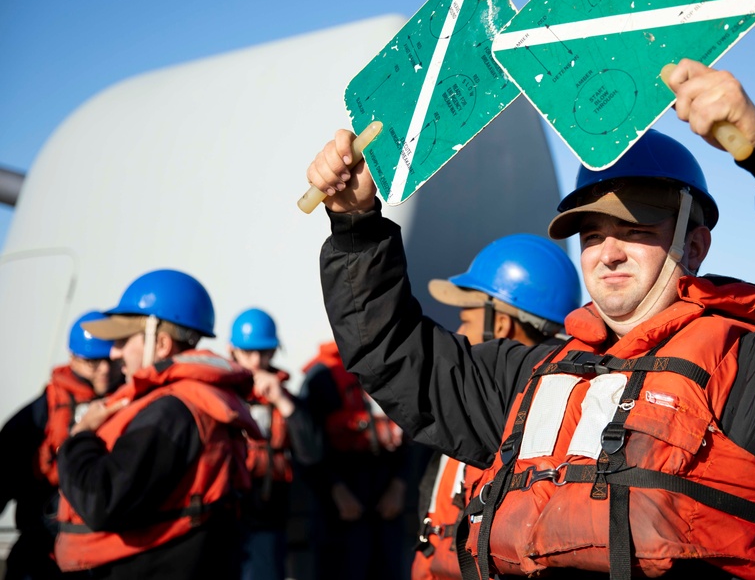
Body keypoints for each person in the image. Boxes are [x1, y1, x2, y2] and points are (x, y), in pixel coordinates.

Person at [306, 59, 755, 579]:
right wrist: (357, 228)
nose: (607, 252)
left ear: (694, 246)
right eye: (590, 234)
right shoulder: (529, 376)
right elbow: (393, 356)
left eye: (635, 231)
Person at [53, 268, 261, 579]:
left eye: (123, 340)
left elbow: (101, 501)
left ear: (161, 345)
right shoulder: (193, 401)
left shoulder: (170, 412)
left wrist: (80, 436)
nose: (114, 352)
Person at [412, 233, 581, 580]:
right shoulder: (485, 404)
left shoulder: (501, 422)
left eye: (466, 320)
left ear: (500, 324)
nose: (458, 331)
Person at [0, 311, 122, 580]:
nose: (103, 369)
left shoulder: (133, 405)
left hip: (108, 552)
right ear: (73, 359)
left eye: (109, 360)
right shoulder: (35, 418)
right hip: (42, 552)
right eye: (93, 362)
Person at [298, 337, 411, 580]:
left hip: (386, 502)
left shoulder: (395, 367)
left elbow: (415, 432)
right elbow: (307, 445)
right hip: (340, 509)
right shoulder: (322, 376)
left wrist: (400, 485)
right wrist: (334, 489)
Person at [227, 307, 323, 580]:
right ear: (232, 351)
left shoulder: (289, 402)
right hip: (226, 519)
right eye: (248, 353)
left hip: (268, 520)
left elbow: (312, 454)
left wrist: (283, 402)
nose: (256, 361)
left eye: (265, 352)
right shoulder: (220, 396)